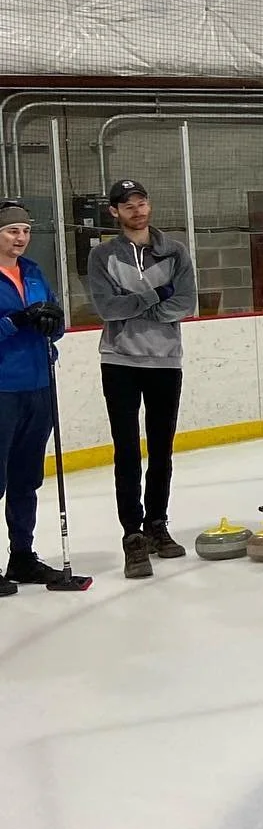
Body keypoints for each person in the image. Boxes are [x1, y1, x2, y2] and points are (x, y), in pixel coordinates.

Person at [85, 179, 199, 579]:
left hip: (165, 361)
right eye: (128, 205)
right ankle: (132, 535)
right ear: (114, 212)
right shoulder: (102, 255)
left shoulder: (175, 251)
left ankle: (157, 524)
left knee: (162, 449)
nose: (138, 210)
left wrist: (137, 305)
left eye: (142, 202)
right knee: (127, 450)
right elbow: (106, 308)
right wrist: (155, 296)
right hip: (119, 361)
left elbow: (185, 301)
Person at [0, 202, 65, 594]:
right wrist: (16, 321)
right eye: (12, 231)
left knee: (26, 479)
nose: (20, 238)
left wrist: (50, 322)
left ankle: (22, 556)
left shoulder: (34, 272)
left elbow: (57, 325)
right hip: (3, 389)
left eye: (25, 230)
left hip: (39, 387)